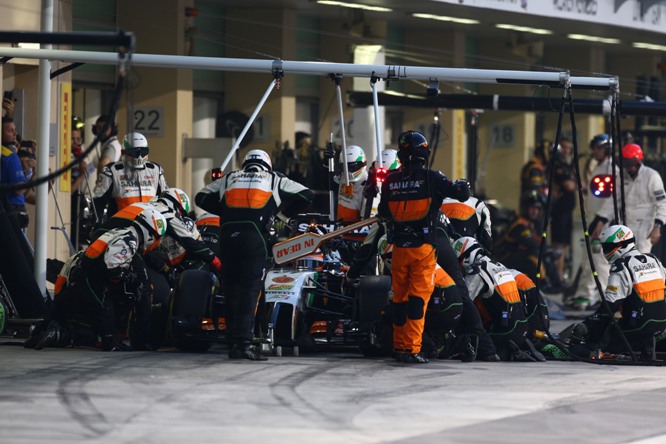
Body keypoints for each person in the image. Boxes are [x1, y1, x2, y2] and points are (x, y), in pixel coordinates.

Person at [196, 149, 314, 361]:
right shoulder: (274, 178)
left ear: (245, 164)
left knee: (231, 290)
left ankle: (233, 343)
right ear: (267, 165)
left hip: (228, 237)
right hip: (254, 238)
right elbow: (307, 195)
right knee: (250, 291)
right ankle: (245, 344)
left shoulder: (230, 178)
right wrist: (280, 214)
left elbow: (201, 197)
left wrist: (227, 211)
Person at [377, 130, 470, 364]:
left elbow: (383, 213)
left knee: (399, 298)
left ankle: (399, 346)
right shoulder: (432, 178)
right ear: (424, 154)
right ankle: (412, 349)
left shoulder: (390, 181)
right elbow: (461, 194)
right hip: (423, 249)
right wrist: (462, 184)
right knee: (418, 298)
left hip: (398, 249)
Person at [32, 205, 168, 351]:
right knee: (111, 340)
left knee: (61, 315)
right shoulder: (130, 240)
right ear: (149, 232)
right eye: (157, 237)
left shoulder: (120, 232)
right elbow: (111, 267)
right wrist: (127, 278)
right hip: (93, 283)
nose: (156, 241)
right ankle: (60, 333)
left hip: (77, 278)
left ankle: (46, 332)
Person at [570, 225, 666, 360]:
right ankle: (647, 343)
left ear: (620, 246)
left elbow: (609, 306)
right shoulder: (653, 259)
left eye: (607, 247)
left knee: (593, 339)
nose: (605, 251)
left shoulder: (621, 267)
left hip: (637, 329)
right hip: (661, 325)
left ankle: (596, 349)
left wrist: (587, 325)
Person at [452, 236, 546, 361]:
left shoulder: (478, 272)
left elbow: (463, 302)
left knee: (464, 321)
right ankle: (513, 348)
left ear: (467, 258)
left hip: (504, 333)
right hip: (522, 329)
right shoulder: (498, 266)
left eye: (459, 262)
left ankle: (503, 350)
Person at [571, 134, 619, 310]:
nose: (594, 151)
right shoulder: (599, 168)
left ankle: (599, 297)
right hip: (593, 219)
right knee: (590, 258)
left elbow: (613, 199)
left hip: (602, 223)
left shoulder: (611, 169)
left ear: (607, 149)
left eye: (598, 148)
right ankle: (587, 295)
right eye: (594, 148)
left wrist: (600, 222)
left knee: (599, 260)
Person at [591, 143, 666, 256]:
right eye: (625, 164)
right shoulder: (621, 177)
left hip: (645, 226)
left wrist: (657, 227)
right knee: (623, 258)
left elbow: (662, 203)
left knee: (640, 259)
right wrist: (600, 222)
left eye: (630, 164)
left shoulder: (651, 176)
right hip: (626, 223)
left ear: (638, 161)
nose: (628, 167)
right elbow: (613, 202)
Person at [93, 132, 168, 217]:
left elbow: (165, 198)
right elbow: (98, 201)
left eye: (143, 151)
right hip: (122, 224)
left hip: (150, 222)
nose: (139, 156)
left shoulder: (155, 170)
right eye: (134, 152)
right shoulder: (112, 171)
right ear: (123, 152)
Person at [495, 190, 545, 284]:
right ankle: (539, 284)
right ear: (526, 208)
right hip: (505, 260)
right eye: (532, 208)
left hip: (516, 259)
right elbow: (531, 243)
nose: (535, 211)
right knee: (533, 258)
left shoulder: (532, 224)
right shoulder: (520, 224)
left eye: (537, 209)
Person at [549, 138, 576, 292]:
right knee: (557, 245)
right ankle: (555, 278)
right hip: (559, 211)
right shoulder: (558, 166)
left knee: (563, 245)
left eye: (569, 148)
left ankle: (559, 277)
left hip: (567, 211)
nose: (567, 151)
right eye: (565, 147)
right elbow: (569, 185)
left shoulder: (566, 166)